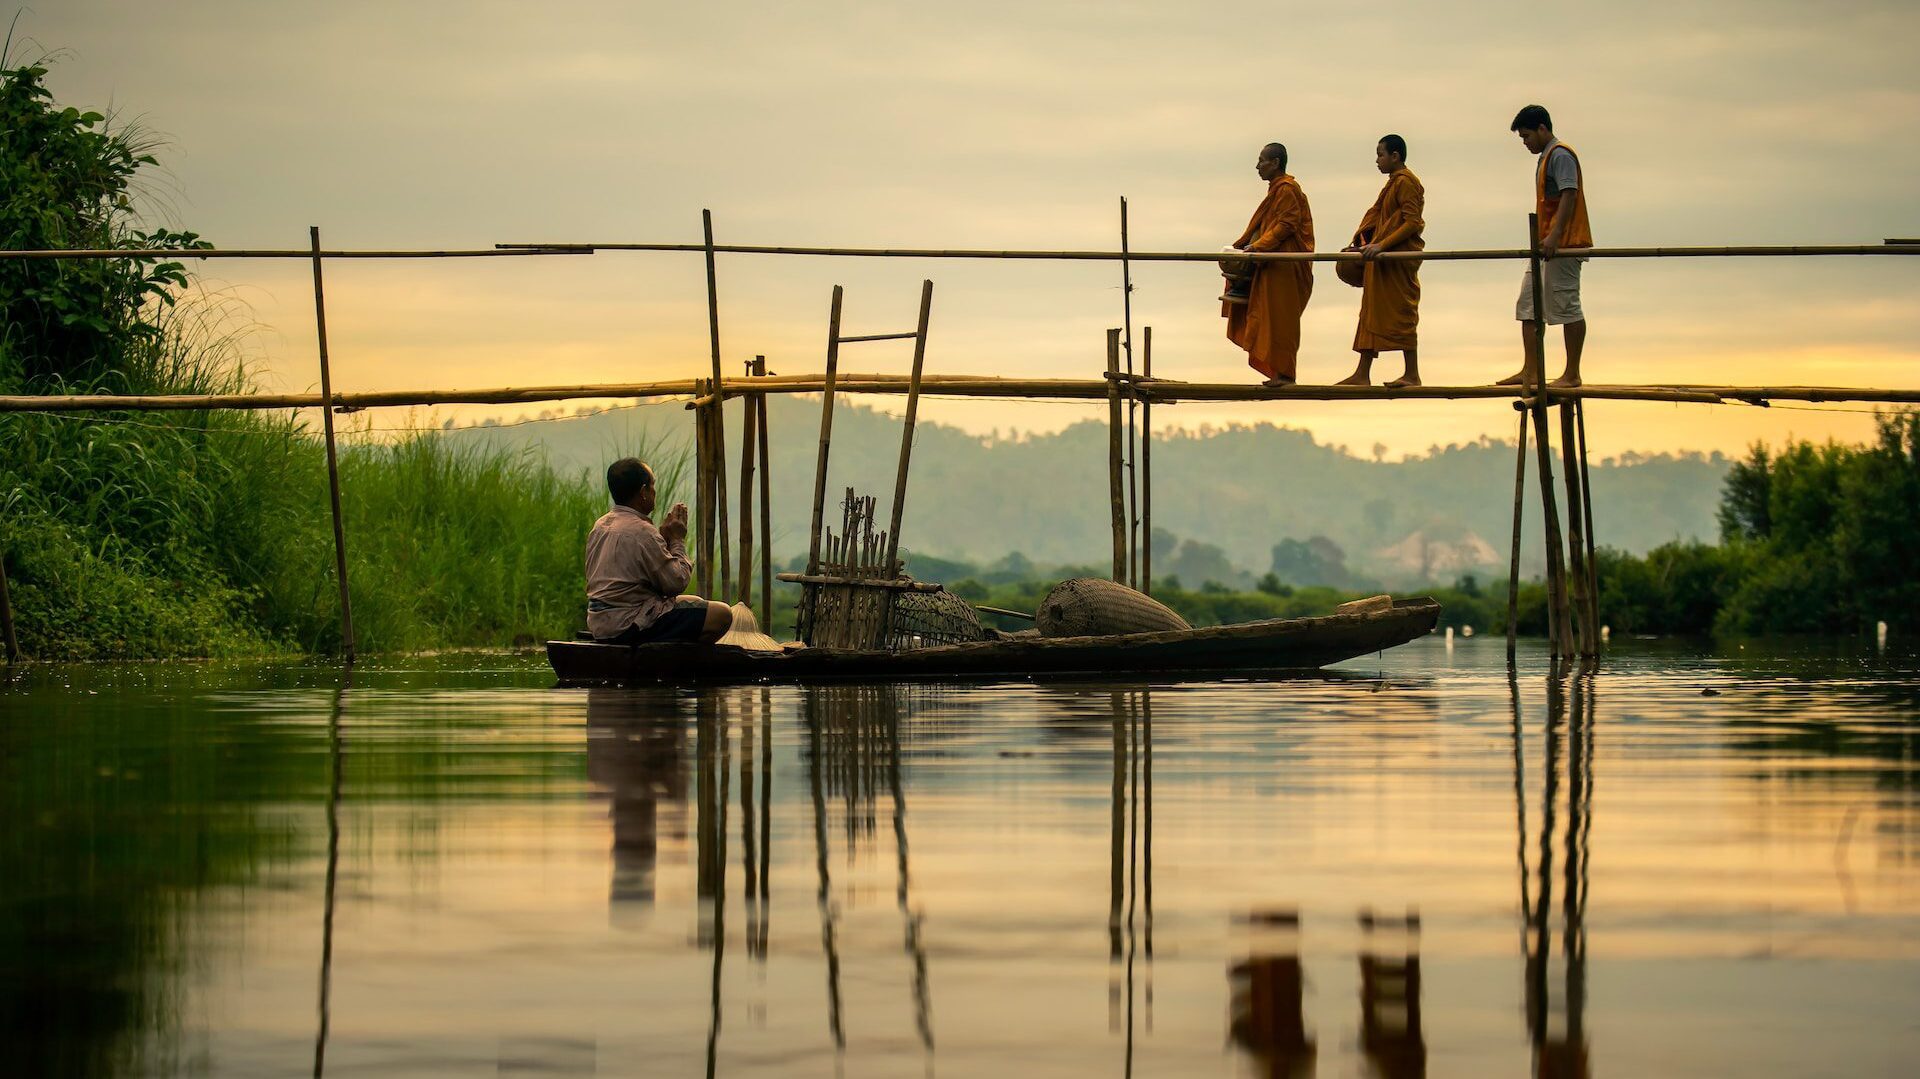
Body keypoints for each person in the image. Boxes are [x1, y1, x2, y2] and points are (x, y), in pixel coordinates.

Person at [584, 457, 732, 644]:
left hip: (601, 623)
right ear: (643, 492)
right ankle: (673, 664)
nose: (655, 491)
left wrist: (663, 539)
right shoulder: (642, 531)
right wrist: (676, 539)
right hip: (629, 624)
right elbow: (676, 583)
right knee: (722, 614)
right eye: (652, 485)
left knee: (693, 600)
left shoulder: (601, 525)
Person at [1499, 104, 1593, 388]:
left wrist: (1555, 236)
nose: (1525, 143)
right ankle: (1531, 370)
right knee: (1528, 305)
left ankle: (1572, 373)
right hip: (1545, 245)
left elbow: (1569, 194)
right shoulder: (1544, 157)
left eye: (1527, 136)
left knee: (1566, 305)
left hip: (1564, 244)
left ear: (1542, 128)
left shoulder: (1560, 154)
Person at [1222, 142, 1315, 386]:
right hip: (1273, 263)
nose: (1257, 166)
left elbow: (1287, 225)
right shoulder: (1276, 190)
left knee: (1281, 319)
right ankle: (1279, 373)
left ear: (1275, 163)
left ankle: (1286, 374)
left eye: (1262, 160)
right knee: (1268, 316)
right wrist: (1244, 245)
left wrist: (1258, 246)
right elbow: (1267, 225)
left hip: (1285, 265)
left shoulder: (1287, 189)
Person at [1338, 134, 1425, 388]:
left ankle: (1412, 374)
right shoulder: (1392, 183)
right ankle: (1362, 373)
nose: (1377, 160)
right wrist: (1361, 246)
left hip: (1397, 259)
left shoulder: (1407, 182)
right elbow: (1378, 220)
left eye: (1380, 155)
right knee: (1370, 312)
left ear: (1395, 156)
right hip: (1381, 260)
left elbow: (1412, 222)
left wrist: (1381, 245)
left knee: (1402, 313)